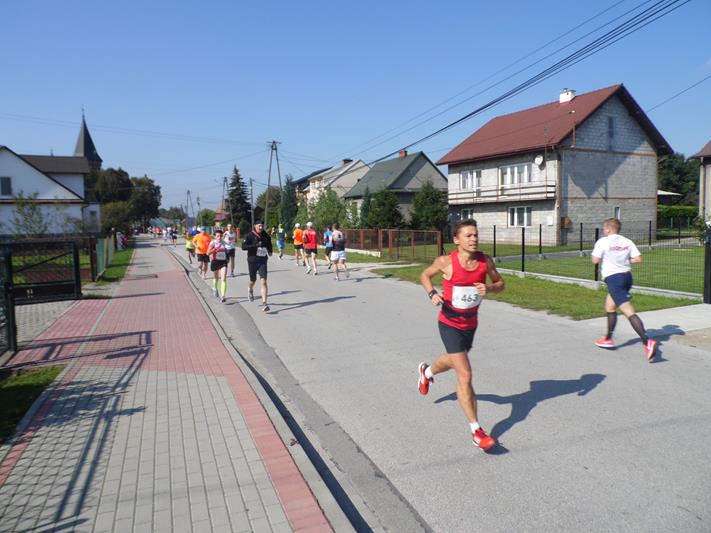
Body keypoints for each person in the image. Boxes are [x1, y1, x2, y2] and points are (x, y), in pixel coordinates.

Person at [418, 219, 505, 452]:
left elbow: (500, 283)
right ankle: (477, 431)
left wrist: (490, 288)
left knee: (453, 360)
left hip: (470, 324)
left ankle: (426, 372)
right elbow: (425, 275)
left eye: (476, 235)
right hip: (449, 323)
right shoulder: (446, 262)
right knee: (465, 374)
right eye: (468, 235)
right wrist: (432, 294)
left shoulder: (485, 261)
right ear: (456, 240)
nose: (474, 239)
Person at [591, 218, 657, 362]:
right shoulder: (627, 241)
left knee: (628, 311)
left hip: (614, 279)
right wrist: (624, 260)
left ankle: (647, 341)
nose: (603, 230)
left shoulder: (603, 242)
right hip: (626, 277)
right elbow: (638, 259)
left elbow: (595, 260)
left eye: (604, 228)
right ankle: (607, 338)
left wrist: (605, 257)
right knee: (609, 306)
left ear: (608, 229)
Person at [242, 220, 273, 312]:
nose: (261, 227)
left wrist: (270, 251)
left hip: (262, 260)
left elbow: (269, 244)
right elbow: (243, 247)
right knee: (253, 280)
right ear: (255, 226)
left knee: (264, 281)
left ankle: (265, 303)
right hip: (252, 260)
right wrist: (255, 245)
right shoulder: (249, 235)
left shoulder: (266, 236)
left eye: (262, 226)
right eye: (259, 225)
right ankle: (250, 289)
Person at [206, 228, 229, 303]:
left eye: (221, 236)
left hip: (223, 262)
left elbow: (227, 251)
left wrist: (227, 253)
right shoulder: (213, 243)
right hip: (215, 261)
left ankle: (223, 296)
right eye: (218, 236)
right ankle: (215, 288)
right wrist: (215, 249)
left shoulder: (224, 243)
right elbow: (207, 253)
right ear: (215, 236)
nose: (219, 237)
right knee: (216, 278)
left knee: (223, 278)